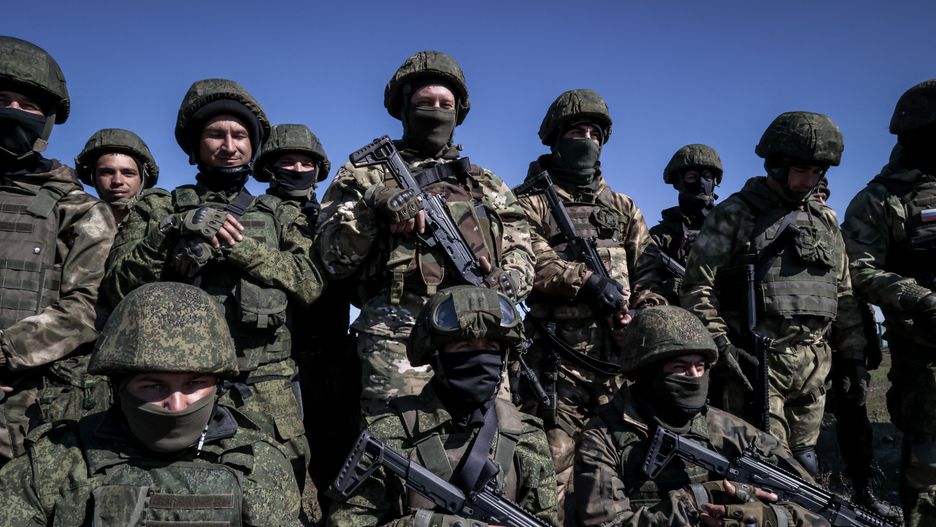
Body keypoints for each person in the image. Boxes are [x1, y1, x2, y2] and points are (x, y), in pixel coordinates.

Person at [102, 78, 324, 490]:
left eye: (240, 135)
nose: (229, 146)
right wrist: (170, 230)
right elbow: (116, 288)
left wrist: (239, 248)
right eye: (216, 135)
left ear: (254, 146)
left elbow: (309, 282)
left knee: (277, 490)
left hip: (264, 386)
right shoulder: (159, 207)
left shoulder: (279, 213)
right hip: (176, 389)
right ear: (195, 145)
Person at [316, 51, 534, 415]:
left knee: (490, 437)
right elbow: (332, 259)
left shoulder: (485, 183)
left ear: (458, 112)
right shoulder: (365, 174)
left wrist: (507, 281)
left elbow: (522, 250)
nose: (436, 111)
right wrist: (374, 206)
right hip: (396, 336)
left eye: (445, 104)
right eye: (425, 103)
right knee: (396, 438)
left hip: (479, 335)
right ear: (404, 108)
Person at [0, 282, 301, 526]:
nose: (176, 404)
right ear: (119, 386)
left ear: (218, 385)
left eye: (194, 384)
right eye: (153, 385)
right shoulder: (54, 465)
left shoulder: (260, 463)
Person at [680, 111, 868, 476]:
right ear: (777, 165)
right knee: (768, 469)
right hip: (759, 365)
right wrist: (721, 344)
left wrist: (853, 356)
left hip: (815, 365)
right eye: (801, 170)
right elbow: (697, 287)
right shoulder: (736, 214)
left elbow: (843, 292)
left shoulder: (825, 220)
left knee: (807, 463)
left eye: (817, 172)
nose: (808, 181)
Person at [512, 88, 665, 517]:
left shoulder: (623, 207)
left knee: (618, 468)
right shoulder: (529, 202)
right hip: (557, 363)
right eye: (577, 132)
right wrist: (586, 281)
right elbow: (527, 259)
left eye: (594, 133)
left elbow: (649, 269)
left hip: (619, 362)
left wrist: (642, 315)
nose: (587, 140)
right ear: (556, 139)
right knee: (554, 466)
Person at [326, 285, 559, 527]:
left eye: (490, 347)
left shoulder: (526, 436)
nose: (480, 358)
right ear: (436, 356)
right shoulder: (390, 434)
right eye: (465, 347)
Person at [574, 306, 828, 527]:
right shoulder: (604, 437)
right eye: (681, 368)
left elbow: (818, 510)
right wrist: (692, 502)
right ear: (647, 372)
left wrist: (773, 517)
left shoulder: (730, 430)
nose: (695, 377)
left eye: (700, 367)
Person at [0, 36, 116, 466]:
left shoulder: (79, 210)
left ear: (46, 122)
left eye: (27, 105)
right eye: (1, 100)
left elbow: (84, 309)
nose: (12, 112)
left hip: (24, 404)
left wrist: (5, 352)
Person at [841, 78, 936, 526]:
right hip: (925, 352)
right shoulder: (881, 199)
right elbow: (858, 269)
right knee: (928, 461)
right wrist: (918, 298)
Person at [645, 144, 724, 304]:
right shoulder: (661, 235)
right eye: (692, 177)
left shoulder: (730, 228)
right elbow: (646, 283)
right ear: (679, 182)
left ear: (715, 181)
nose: (701, 183)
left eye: (707, 177)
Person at [74, 127, 159, 226]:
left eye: (128, 173)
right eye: (107, 172)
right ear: (93, 177)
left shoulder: (164, 219)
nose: (118, 181)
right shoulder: (74, 223)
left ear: (143, 177)